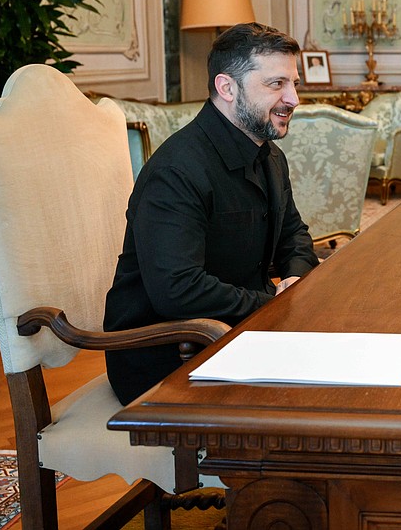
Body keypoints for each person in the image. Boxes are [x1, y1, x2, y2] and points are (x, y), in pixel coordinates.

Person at [104, 23, 320, 405]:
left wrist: (294, 280)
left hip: (239, 335)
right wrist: (273, 300)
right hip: (167, 357)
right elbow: (178, 290)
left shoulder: (270, 155)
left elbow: (294, 236)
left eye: (294, 83)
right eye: (277, 84)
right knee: (316, 401)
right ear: (227, 88)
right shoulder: (177, 171)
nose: (293, 99)